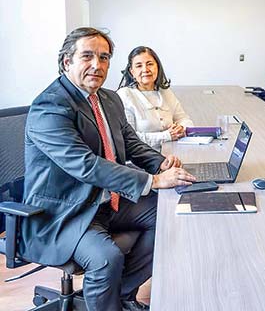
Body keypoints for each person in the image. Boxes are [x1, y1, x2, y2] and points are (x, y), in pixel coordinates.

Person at [20, 28, 197, 311]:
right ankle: (108, 298)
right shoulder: (50, 106)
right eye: (87, 56)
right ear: (67, 61)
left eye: (104, 58)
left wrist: (159, 162)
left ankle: (119, 294)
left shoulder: (109, 99)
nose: (97, 65)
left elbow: (129, 142)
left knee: (170, 216)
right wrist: (152, 180)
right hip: (63, 213)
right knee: (106, 258)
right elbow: (86, 165)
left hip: (103, 201)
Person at [118, 46, 193, 150]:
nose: (145, 69)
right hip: (141, 160)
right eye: (139, 66)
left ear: (157, 67)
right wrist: (167, 136)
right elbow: (129, 138)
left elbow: (184, 119)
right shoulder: (124, 95)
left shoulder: (165, 92)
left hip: (172, 152)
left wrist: (181, 128)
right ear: (132, 72)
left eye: (150, 64)